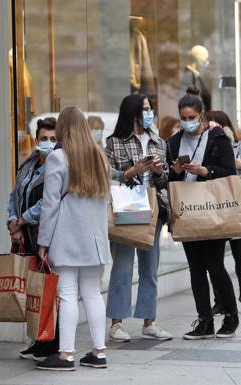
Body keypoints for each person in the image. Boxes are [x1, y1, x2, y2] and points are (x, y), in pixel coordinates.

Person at [36, 106, 111, 371]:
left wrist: (42, 243)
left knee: (67, 294)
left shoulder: (59, 158)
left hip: (67, 237)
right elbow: (105, 202)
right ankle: (98, 352)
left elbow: (50, 205)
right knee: (92, 294)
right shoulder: (99, 157)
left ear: (62, 129)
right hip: (94, 239)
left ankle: (66, 355)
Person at [166, 86, 239, 339]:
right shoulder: (174, 142)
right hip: (188, 209)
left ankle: (230, 315)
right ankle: (204, 320)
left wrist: (206, 171)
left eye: (191, 118)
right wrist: (173, 172)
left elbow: (230, 172)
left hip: (212, 207)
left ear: (201, 114)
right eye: (182, 118)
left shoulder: (217, 138)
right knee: (195, 268)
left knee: (215, 265)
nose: (187, 122)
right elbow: (167, 179)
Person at [105, 94, 172, 343]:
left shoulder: (159, 142)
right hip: (126, 207)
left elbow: (165, 180)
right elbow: (107, 173)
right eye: (145, 108)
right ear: (133, 112)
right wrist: (131, 171)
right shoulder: (115, 142)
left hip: (153, 208)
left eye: (150, 108)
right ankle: (116, 322)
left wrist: (157, 171)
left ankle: (149, 321)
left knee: (150, 268)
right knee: (122, 268)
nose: (149, 112)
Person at [8, 117, 60, 361]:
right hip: (25, 234)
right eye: (43, 138)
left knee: (49, 288)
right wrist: (12, 220)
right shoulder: (27, 164)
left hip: (45, 235)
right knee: (34, 289)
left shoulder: (58, 166)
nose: (47, 143)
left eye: (52, 139)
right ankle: (38, 339)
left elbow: (48, 202)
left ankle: (52, 342)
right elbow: (14, 194)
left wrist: (22, 220)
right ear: (35, 139)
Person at [204, 111, 241, 315]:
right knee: (215, 259)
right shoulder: (203, 146)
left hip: (236, 208)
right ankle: (219, 300)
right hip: (213, 209)